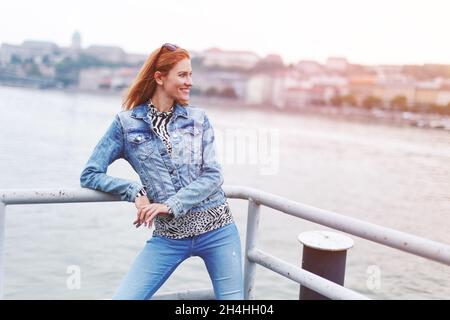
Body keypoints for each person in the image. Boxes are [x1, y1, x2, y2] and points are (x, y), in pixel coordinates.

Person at [79, 43, 244, 300]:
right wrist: (135, 191)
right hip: (169, 237)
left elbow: (213, 176)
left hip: (218, 231)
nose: (190, 81)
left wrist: (171, 204)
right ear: (159, 77)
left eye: (190, 74)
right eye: (182, 75)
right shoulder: (125, 125)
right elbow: (90, 174)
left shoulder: (199, 119)